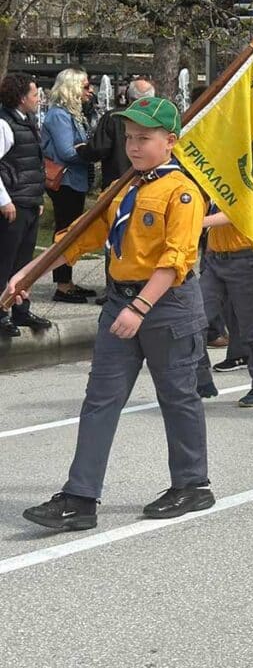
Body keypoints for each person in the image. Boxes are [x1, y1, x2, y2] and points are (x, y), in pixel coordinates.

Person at [12, 97, 213, 530]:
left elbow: (177, 259)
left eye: (145, 138)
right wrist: (31, 270)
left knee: (177, 397)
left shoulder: (182, 192)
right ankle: (81, 497)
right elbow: (83, 235)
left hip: (166, 306)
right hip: (121, 301)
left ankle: (192, 484)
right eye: (129, 138)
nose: (134, 146)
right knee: (100, 400)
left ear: (170, 142)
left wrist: (141, 307)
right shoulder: (124, 187)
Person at [193, 102, 253, 406]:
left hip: (246, 255)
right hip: (215, 257)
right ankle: (200, 379)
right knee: (195, 318)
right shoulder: (223, 156)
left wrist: (195, 223)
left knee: (251, 327)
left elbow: (246, 210)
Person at [0, 73, 51, 337]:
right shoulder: (4, 124)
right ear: (21, 98)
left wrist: (36, 199)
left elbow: (32, 163)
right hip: (12, 204)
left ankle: (21, 310)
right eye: (34, 94)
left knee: (24, 263)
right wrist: (4, 200)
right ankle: (1, 312)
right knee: (5, 262)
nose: (38, 99)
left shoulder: (26, 121)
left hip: (27, 201)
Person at [41, 68, 95, 304]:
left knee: (71, 231)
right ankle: (62, 285)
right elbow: (66, 151)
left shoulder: (72, 113)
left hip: (75, 179)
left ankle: (68, 282)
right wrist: (94, 152)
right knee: (64, 231)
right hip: (65, 181)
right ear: (71, 87)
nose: (90, 91)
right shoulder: (59, 115)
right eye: (85, 86)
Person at [81, 77, 156, 189]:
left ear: (127, 96)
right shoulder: (159, 121)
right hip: (151, 183)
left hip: (117, 184)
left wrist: (81, 150)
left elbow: (98, 149)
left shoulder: (114, 118)